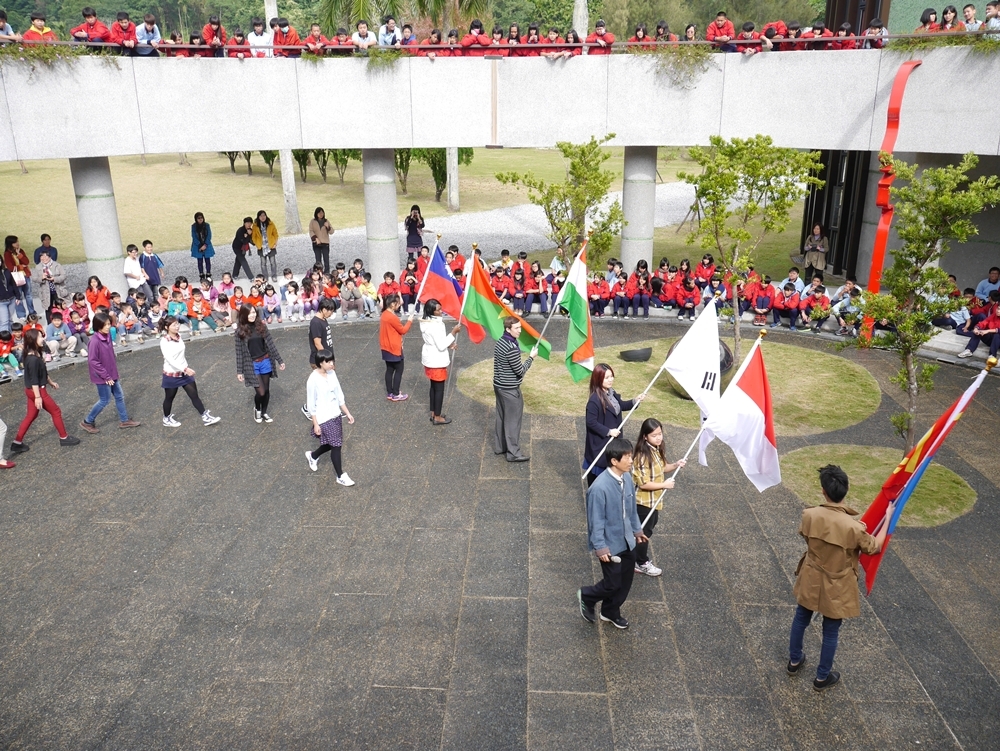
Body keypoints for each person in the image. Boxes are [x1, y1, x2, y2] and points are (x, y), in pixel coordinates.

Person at [788, 464, 891, 690]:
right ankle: (822, 677)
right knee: (831, 631)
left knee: (801, 618)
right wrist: (889, 519)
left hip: (812, 575)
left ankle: (794, 661)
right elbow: (874, 547)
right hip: (838, 583)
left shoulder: (809, 515)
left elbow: (807, 538)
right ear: (845, 491)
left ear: (824, 491)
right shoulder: (853, 528)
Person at [577, 437, 648, 630]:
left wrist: (637, 530)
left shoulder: (626, 476)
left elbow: (631, 507)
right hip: (610, 545)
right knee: (612, 583)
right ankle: (587, 595)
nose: (631, 460)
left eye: (630, 456)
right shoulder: (599, 489)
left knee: (625, 583)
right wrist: (600, 548)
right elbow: (596, 521)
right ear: (614, 461)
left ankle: (610, 612)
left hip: (627, 541)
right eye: (626, 457)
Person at [9, 329, 80, 453]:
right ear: (33, 340)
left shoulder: (33, 354)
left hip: (31, 390)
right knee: (56, 411)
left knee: (31, 415)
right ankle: (64, 437)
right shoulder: (33, 359)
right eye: (40, 337)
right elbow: (34, 379)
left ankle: (17, 442)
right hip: (37, 391)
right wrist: (38, 397)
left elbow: (42, 373)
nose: (43, 339)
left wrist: (51, 382)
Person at [631, 418, 685, 577]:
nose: (659, 438)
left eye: (660, 433)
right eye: (654, 435)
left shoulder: (656, 449)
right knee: (643, 533)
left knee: (646, 529)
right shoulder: (641, 456)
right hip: (643, 502)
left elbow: (663, 467)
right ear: (645, 436)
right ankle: (641, 562)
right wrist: (664, 485)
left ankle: (634, 558)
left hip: (654, 501)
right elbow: (643, 483)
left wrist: (676, 465)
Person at [584, 363, 645, 486]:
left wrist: (635, 401)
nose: (610, 380)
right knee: (598, 477)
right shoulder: (594, 400)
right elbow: (591, 422)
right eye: (607, 377)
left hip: (613, 442)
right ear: (598, 378)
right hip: (601, 443)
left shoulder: (611, 393)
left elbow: (620, 406)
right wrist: (608, 431)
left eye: (612, 376)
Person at [79, 311, 141, 434]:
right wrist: (106, 376)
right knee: (104, 400)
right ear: (98, 325)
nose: (108, 326)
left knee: (119, 396)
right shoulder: (95, 341)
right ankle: (87, 421)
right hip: (102, 377)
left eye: (109, 324)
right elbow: (93, 361)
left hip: (111, 374)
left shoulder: (106, 336)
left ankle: (124, 420)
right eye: (106, 324)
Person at [158, 315, 221, 428]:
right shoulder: (164, 341)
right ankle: (166, 418)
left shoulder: (179, 336)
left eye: (177, 324)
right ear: (167, 327)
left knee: (194, 395)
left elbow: (181, 355)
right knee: (169, 398)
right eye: (174, 325)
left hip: (184, 373)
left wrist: (185, 368)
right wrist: (185, 369)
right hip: (172, 374)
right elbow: (169, 359)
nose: (177, 327)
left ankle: (204, 416)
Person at [305, 349, 355, 485]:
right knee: (336, 445)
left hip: (335, 414)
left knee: (331, 443)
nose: (332, 364)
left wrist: (347, 413)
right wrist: (315, 423)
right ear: (321, 363)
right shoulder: (313, 380)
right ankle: (340, 475)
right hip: (323, 417)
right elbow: (311, 404)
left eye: (332, 361)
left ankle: (313, 455)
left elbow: (339, 395)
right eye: (329, 362)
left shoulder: (332, 374)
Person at [492, 316, 537, 462]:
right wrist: (531, 358)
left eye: (520, 327)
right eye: (516, 328)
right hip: (510, 389)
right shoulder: (511, 348)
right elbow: (520, 371)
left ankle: (500, 447)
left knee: (501, 417)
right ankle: (513, 453)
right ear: (508, 329)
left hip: (499, 385)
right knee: (513, 421)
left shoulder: (500, 342)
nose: (520, 330)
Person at [234, 303, 285, 423]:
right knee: (260, 392)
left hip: (265, 360)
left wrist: (279, 360)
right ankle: (257, 409)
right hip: (252, 364)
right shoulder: (240, 331)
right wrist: (239, 371)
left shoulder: (261, 326)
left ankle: (264, 412)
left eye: (253, 312)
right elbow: (239, 352)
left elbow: (271, 344)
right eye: (249, 313)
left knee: (266, 390)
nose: (252, 315)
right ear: (243, 315)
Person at [420, 299, 461, 425]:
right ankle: (437, 416)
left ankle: (434, 412)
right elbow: (441, 345)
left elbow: (437, 341)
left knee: (433, 387)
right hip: (436, 359)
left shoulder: (426, 322)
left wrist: (449, 344)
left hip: (430, 356)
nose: (441, 311)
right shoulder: (435, 325)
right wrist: (453, 333)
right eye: (438, 310)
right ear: (432, 311)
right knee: (438, 389)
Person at [302, 298, 337, 417]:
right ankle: (308, 408)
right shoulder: (316, 323)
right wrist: (326, 361)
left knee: (328, 385)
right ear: (323, 309)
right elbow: (317, 343)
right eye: (330, 311)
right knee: (320, 386)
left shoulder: (323, 319)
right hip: (320, 360)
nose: (331, 313)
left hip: (327, 358)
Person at [379, 293, 414, 401]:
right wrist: (409, 321)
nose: (399, 305)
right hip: (394, 347)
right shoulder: (392, 317)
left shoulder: (384, 314)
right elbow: (403, 330)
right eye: (398, 303)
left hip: (385, 347)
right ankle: (395, 393)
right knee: (399, 369)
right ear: (393, 304)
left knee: (389, 370)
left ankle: (390, 392)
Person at [3, 235, 34, 317]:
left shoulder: (20, 251)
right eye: (15, 242)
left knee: (29, 295)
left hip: (25, 275)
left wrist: (19, 254)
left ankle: (32, 313)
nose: (18, 243)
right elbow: (10, 267)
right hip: (16, 277)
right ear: (11, 244)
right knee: (19, 296)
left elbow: (26, 262)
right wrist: (20, 266)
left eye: (17, 241)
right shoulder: (7, 254)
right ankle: (22, 315)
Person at [34, 249, 67, 320]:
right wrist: (41, 278)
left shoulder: (57, 265)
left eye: (46, 257)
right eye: (42, 257)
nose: (44, 259)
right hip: (45, 292)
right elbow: (34, 278)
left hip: (57, 290)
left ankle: (63, 321)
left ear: (50, 257)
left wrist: (54, 279)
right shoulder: (38, 267)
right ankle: (50, 324)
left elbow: (63, 276)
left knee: (61, 306)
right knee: (48, 309)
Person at [251, 210, 279, 281]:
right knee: (263, 263)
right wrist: (257, 244)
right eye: (261, 216)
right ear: (258, 217)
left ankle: (274, 276)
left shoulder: (270, 224)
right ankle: (265, 277)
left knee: (273, 262)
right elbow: (253, 236)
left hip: (271, 245)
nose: (263, 217)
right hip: (261, 247)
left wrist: (275, 243)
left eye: (264, 215)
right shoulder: (255, 225)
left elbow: (275, 234)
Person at [309, 207, 334, 273]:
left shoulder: (326, 221)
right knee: (318, 259)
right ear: (316, 214)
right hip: (316, 243)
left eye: (322, 213)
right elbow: (311, 231)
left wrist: (327, 227)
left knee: (326, 259)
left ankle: (327, 273)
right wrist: (315, 238)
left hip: (325, 243)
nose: (321, 214)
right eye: (319, 213)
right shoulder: (312, 221)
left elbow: (332, 232)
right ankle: (319, 272)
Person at [190, 212, 214, 280]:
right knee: (199, 261)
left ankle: (208, 274)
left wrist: (205, 244)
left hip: (207, 245)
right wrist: (200, 245)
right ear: (196, 219)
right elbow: (193, 236)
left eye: (201, 218)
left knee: (207, 260)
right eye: (198, 218)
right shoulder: (194, 226)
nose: (200, 219)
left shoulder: (207, 225)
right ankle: (201, 274)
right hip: (198, 246)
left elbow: (209, 235)